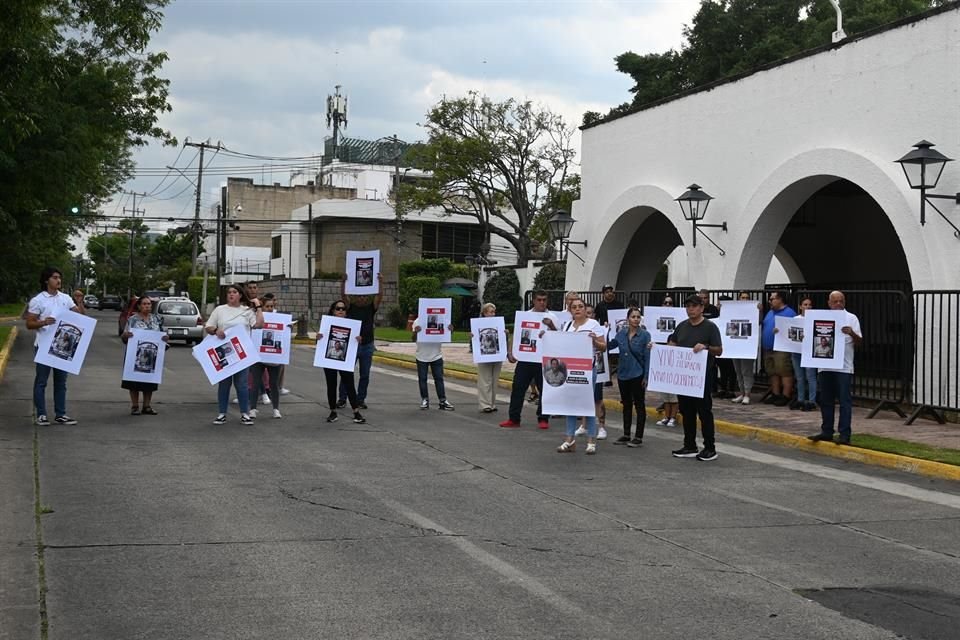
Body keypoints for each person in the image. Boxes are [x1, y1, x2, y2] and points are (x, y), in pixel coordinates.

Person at [25, 267, 84, 425]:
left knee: (61, 382)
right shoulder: (38, 300)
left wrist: (79, 302)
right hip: (44, 345)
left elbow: (79, 316)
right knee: (41, 381)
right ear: (47, 280)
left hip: (62, 345)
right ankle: (41, 414)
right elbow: (29, 323)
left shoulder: (65, 298)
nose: (58, 280)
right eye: (55, 277)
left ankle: (60, 414)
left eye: (59, 277)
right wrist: (44, 322)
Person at [668, 294, 723, 461]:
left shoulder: (710, 327)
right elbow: (674, 341)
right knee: (687, 411)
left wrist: (706, 347)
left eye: (694, 306)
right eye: (688, 306)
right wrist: (669, 345)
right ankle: (690, 445)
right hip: (684, 377)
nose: (690, 309)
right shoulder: (682, 326)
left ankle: (710, 447)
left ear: (701, 308)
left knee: (704, 411)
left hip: (703, 376)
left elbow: (719, 350)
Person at [205, 283, 264, 425]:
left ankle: (245, 413)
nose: (231, 294)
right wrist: (215, 331)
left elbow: (259, 325)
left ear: (240, 295)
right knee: (224, 384)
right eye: (229, 292)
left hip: (242, 352)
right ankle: (222, 413)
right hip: (224, 352)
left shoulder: (247, 311)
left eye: (234, 292)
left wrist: (258, 308)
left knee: (242, 384)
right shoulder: (220, 310)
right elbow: (208, 326)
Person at [809, 291, 862, 445]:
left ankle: (844, 434)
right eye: (835, 301)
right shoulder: (821, 317)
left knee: (844, 401)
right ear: (829, 303)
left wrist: (851, 333)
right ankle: (827, 431)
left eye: (841, 301)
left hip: (843, 368)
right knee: (826, 400)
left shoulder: (851, 318)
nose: (838, 304)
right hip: (825, 366)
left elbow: (859, 342)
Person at [555, 298, 607, 455]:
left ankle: (591, 441)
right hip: (570, 370)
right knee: (570, 404)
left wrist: (594, 342)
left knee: (587, 404)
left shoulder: (593, 325)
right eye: (574, 307)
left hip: (587, 370)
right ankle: (569, 439)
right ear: (570, 310)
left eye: (580, 307)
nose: (577, 309)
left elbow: (603, 347)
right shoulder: (568, 326)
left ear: (585, 309)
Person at [499, 290, 558, 429]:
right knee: (518, 388)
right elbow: (517, 334)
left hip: (544, 360)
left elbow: (559, 337)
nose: (542, 302)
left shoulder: (553, 317)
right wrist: (511, 352)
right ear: (534, 301)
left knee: (545, 390)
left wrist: (551, 326)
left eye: (544, 300)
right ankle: (514, 418)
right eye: (539, 300)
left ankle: (543, 418)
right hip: (526, 359)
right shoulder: (525, 315)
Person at [337, 272, 383, 410]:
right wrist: (343, 282)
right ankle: (342, 398)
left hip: (367, 345)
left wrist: (381, 282)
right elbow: (343, 297)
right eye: (359, 296)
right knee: (347, 373)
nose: (362, 298)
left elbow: (379, 296)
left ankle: (360, 399)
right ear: (355, 297)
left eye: (364, 296)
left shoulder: (371, 308)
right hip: (352, 345)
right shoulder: (351, 307)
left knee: (365, 374)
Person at [607, 306, 651, 447]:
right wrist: (604, 332)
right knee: (626, 404)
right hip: (623, 374)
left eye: (638, 317)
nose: (636, 319)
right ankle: (626, 434)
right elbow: (610, 345)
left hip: (637, 373)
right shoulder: (621, 334)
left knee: (639, 405)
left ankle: (638, 436)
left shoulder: (645, 335)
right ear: (628, 319)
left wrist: (646, 376)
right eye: (633, 317)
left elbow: (647, 356)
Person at [318, 300, 366, 423]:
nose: (340, 311)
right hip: (329, 359)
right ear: (333, 310)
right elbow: (322, 341)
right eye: (338, 308)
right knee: (331, 385)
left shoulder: (352, 325)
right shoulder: (327, 324)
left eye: (343, 309)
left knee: (349, 384)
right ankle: (333, 411)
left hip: (345, 360)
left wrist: (358, 339)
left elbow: (355, 342)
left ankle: (356, 412)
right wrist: (319, 338)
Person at [121, 295, 169, 415]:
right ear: (139, 306)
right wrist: (126, 336)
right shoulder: (132, 320)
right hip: (135, 355)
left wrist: (165, 338)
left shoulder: (157, 319)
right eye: (144, 304)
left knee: (150, 381)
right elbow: (124, 336)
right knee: (134, 381)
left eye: (149, 304)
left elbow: (163, 334)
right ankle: (135, 406)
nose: (147, 306)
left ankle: (147, 406)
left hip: (152, 354)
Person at [250, 297, 284, 419]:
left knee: (273, 383)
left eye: (271, 306)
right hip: (258, 356)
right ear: (262, 307)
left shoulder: (279, 318)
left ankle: (276, 409)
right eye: (267, 306)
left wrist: (287, 329)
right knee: (255, 382)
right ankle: (252, 409)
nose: (270, 309)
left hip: (273, 357)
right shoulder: (254, 317)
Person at [412, 311, 455, 411]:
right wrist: (415, 332)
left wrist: (451, 330)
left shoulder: (442, 320)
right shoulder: (418, 321)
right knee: (423, 379)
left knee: (439, 379)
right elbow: (413, 338)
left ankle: (442, 400)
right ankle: (425, 399)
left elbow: (448, 334)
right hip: (422, 356)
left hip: (436, 355)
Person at [761, 290, 796, 406]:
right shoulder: (770, 312)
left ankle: (786, 395)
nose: (769, 301)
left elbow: (794, 331)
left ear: (780, 299)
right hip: (768, 347)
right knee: (772, 372)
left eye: (772, 299)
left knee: (784, 371)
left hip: (782, 348)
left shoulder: (790, 313)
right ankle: (775, 394)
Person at [472, 302, 509, 413]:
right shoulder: (478, 324)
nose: (493, 314)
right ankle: (484, 404)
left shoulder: (498, 324)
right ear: (484, 313)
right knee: (485, 380)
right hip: (484, 355)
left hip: (496, 355)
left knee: (494, 380)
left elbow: (502, 341)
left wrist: (505, 334)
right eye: (490, 312)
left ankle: (492, 403)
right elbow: (475, 340)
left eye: (494, 312)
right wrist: (473, 336)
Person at [730, 291, 760, 405]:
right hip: (735, 345)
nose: (745, 299)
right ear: (739, 299)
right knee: (738, 371)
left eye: (747, 297)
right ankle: (742, 393)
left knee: (746, 370)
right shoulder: (734, 311)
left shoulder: (754, 310)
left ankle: (747, 394)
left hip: (747, 345)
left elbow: (759, 321)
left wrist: (759, 310)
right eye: (742, 297)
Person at [655, 295, 679, 427]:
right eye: (665, 303)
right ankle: (666, 416)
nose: (668, 305)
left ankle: (673, 417)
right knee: (665, 397)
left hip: (675, 373)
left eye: (670, 303)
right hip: (665, 372)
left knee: (674, 398)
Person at [790, 296, 818, 411]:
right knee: (800, 377)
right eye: (805, 304)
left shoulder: (815, 319)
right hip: (797, 351)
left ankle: (812, 401)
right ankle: (800, 399)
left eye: (809, 305)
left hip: (809, 351)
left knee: (810, 377)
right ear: (800, 307)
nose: (808, 307)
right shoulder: (795, 319)